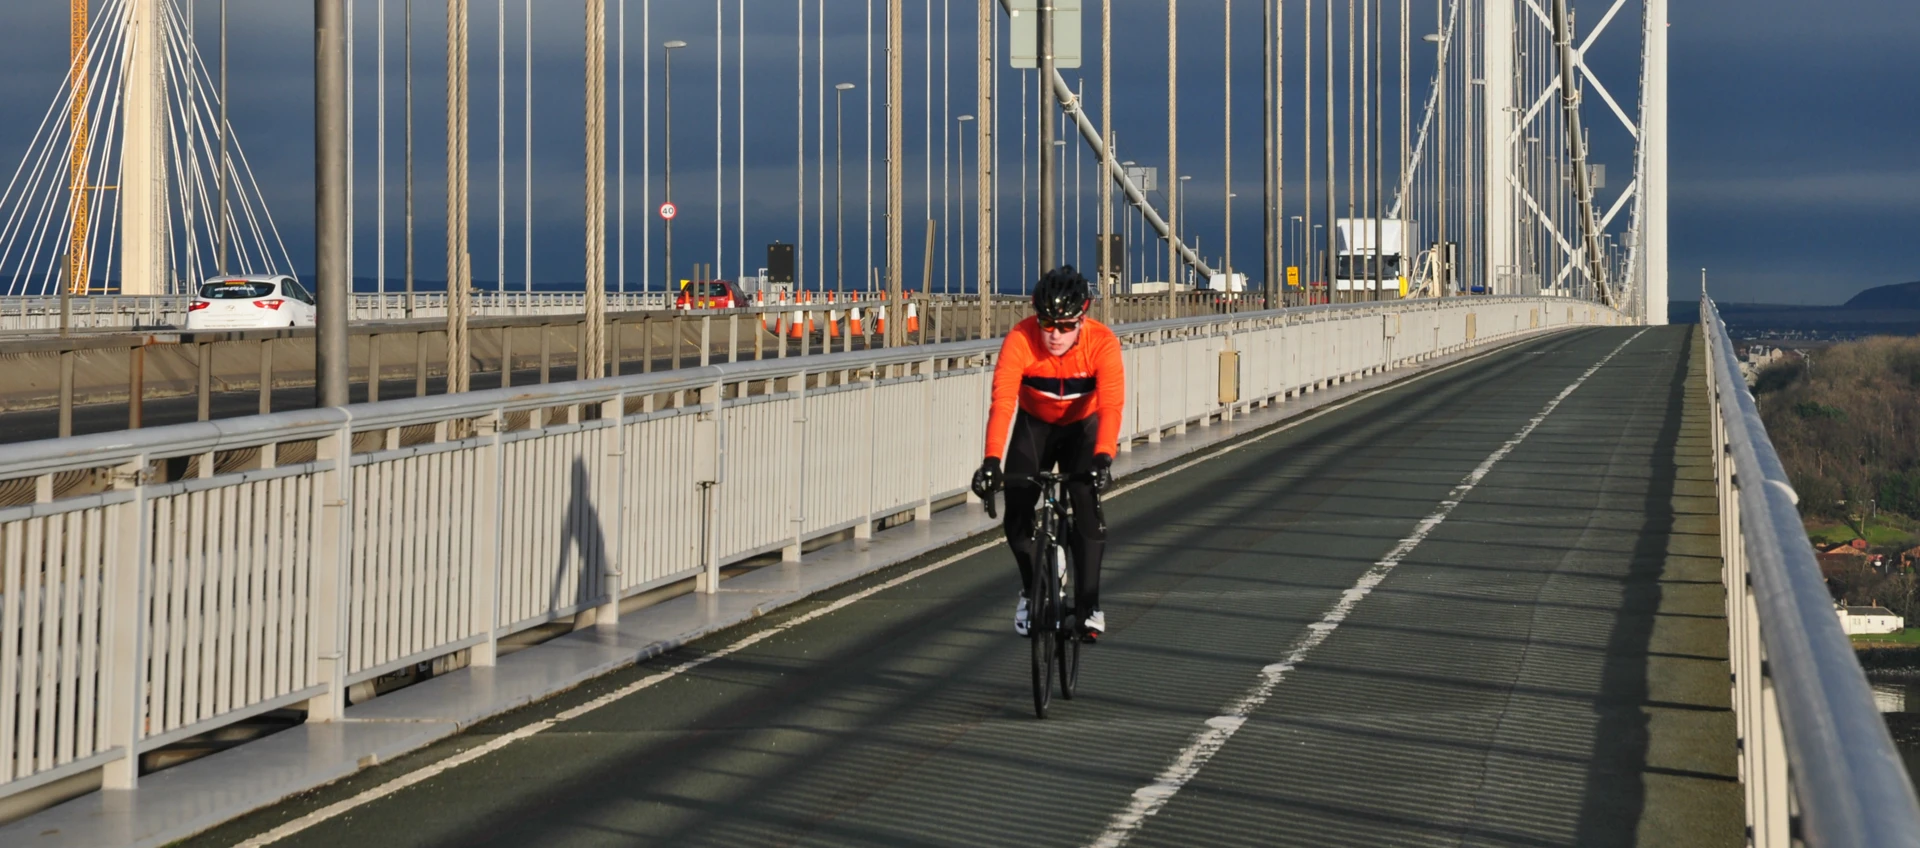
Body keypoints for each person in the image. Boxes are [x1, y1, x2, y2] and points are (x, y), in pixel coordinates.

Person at [970, 266, 1125, 639]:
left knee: (1086, 504)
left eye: (1066, 325)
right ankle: (1030, 589)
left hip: (1082, 429)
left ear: (1082, 319)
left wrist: (1103, 456)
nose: (1055, 334)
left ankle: (1089, 606)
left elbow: (1111, 406)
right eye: (1047, 323)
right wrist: (991, 461)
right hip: (1035, 425)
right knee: (1018, 510)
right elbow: (1003, 403)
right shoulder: (1020, 340)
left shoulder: (1102, 343)